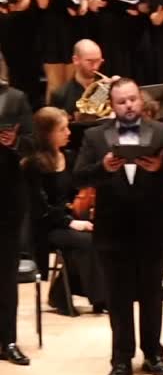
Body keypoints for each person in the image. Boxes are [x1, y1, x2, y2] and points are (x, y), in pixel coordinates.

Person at [74, 77, 163, 375]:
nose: (129, 105)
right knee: (118, 298)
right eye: (122, 101)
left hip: (152, 227)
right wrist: (103, 167)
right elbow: (79, 177)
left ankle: (154, 354)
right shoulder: (96, 136)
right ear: (112, 105)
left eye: (133, 99)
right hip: (113, 229)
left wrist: (159, 169)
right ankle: (121, 359)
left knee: (152, 296)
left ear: (141, 99)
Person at [22, 106, 106, 313]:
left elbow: (75, 191)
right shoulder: (32, 165)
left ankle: (61, 292)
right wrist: (71, 222)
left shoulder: (68, 157)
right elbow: (41, 207)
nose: (69, 133)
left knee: (104, 233)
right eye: (62, 129)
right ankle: (102, 299)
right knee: (87, 241)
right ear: (47, 134)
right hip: (45, 227)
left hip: (68, 220)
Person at [0, 97, 31, 366]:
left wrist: (15, 143)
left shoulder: (15, 99)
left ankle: (8, 340)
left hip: (6, 199)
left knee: (6, 276)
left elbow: (33, 145)